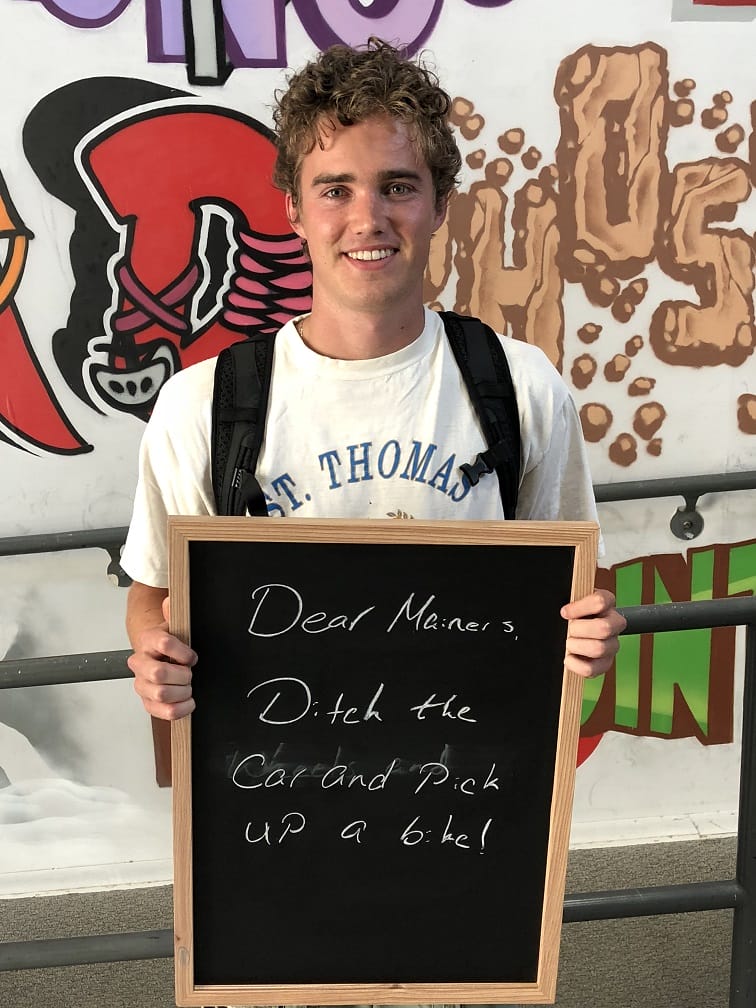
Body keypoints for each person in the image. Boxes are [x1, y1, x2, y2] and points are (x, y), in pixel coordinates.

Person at [122, 38, 626, 730]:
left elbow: (582, 581)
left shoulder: (519, 385)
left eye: (398, 186)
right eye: (335, 189)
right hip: (273, 793)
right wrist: (154, 652)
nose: (368, 219)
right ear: (294, 210)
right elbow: (155, 591)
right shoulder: (200, 406)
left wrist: (592, 628)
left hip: (471, 793)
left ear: (440, 204)